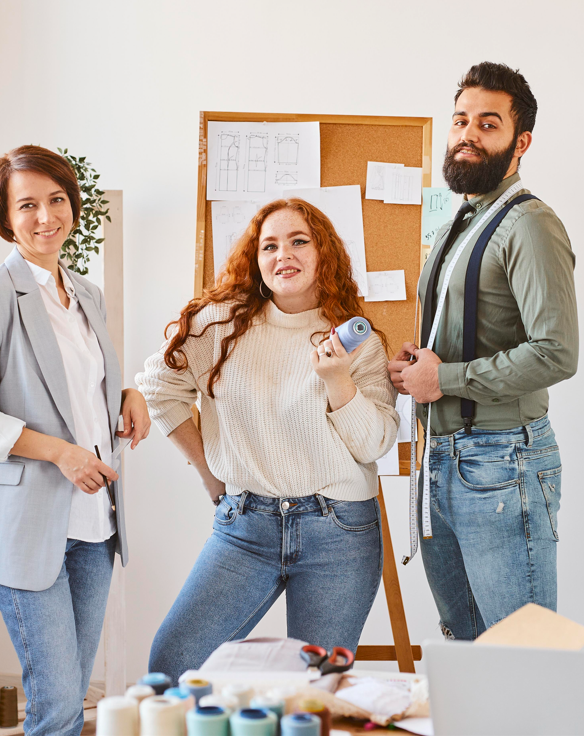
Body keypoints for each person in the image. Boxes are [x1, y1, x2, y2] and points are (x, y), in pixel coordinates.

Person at [137, 198, 399, 680]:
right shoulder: (218, 325)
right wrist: (208, 473)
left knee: (315, 689)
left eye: (299, 241)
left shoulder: (356, 342)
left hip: (338, 532)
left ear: (323, 253)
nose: (284, 255)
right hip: (245, 526)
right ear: (255, 259)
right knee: (172, 666)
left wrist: (337, 379)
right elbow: (158, 389)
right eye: (270, 246)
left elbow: (374, 445)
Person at [0, 145, 150, 736]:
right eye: (27, 205)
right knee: (57, 706)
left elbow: (76, 388)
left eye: (57, 200)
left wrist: (127, 393)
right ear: (5, 217)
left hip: (93, 524)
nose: (45, 216)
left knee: (69, 698)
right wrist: (60, 453)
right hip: (24, 525)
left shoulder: (86, 294)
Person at [389, 62, 578, 640]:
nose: (468, 133)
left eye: (488, 124)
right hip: (439, 458)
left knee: (524, 651)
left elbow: (557, 352)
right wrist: (419, 365)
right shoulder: (460, 222)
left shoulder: (531, 225)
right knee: (467, 645)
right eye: (460, 120)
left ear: (521, 143)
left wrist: (444, 380)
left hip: (501, 462)